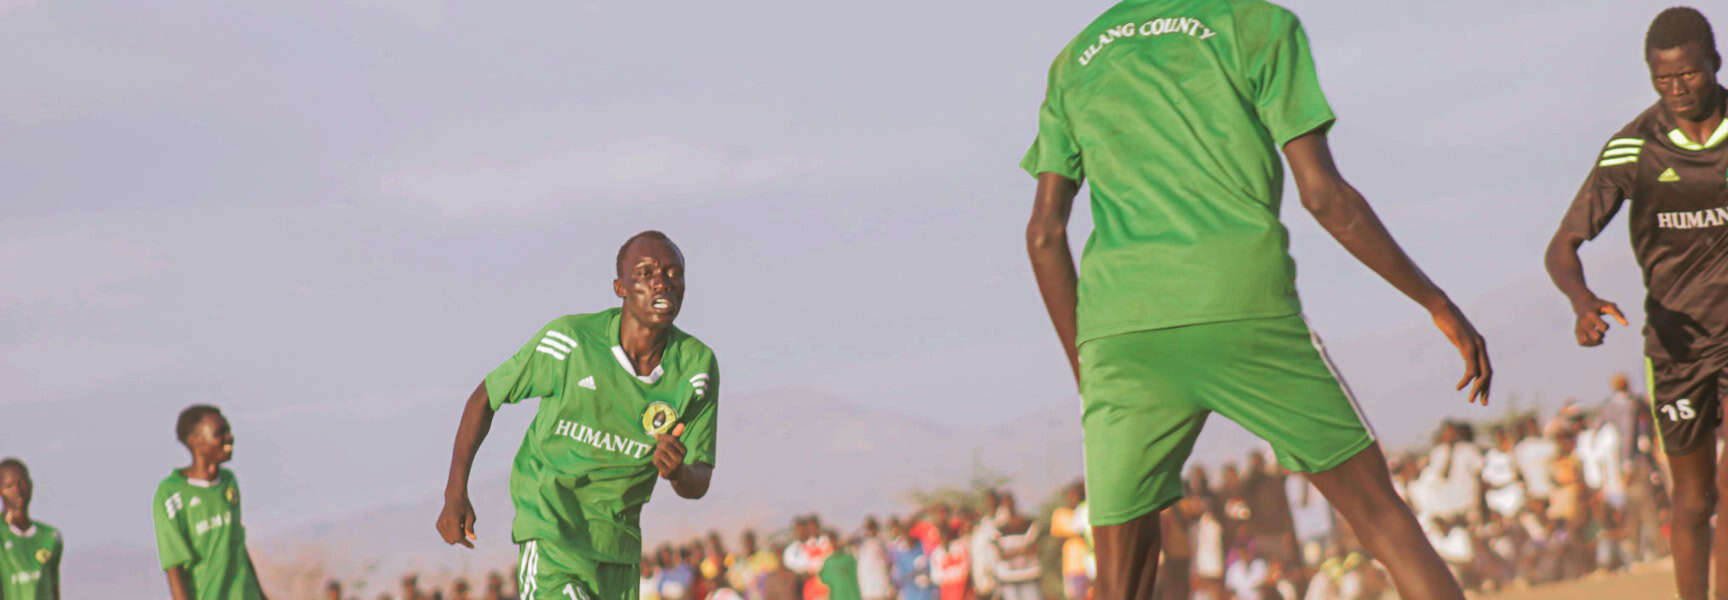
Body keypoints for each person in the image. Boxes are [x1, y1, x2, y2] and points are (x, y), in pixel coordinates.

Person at [1021, 1, 1492, 597]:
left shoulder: (1076, 59)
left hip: (1121, 330)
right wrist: (1435, 300)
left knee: (1121, 582)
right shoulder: (1257, 25)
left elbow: (1043, 233)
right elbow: (1324, 198)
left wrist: (1090, 369)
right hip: (1240, 302)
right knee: (1382, 521)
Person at [1542, 7, 1725, 598]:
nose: (1676, 90)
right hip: (1677, 347)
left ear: (1714, 62)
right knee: (1694, 502)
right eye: (1662, 79)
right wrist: (1582, 301)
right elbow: (1561, 247)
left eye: (1688, 76)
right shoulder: (1632, 149)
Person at [435, 231, 719, 599]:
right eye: (646, 272)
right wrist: (455, 491)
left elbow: (698, 480)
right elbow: (484, 398)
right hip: (551, 527)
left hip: (618, 546)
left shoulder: (697, 367)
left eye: (672, 273)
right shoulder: (570, 341)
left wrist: (678, 472)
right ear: (620, 287)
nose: (661, 282)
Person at [152, 405, 267, 599]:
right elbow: (174, 566)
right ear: (195, 440)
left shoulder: (229, 482)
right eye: (220, 432)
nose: (229, 437)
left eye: (229, 431)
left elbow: (237, 545)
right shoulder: (170, 494)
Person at [0, 458, 61, 600]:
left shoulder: (51, 537)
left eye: (22, 483)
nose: (18, 491)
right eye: (9, 486)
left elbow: (53, 590)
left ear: (31, 485)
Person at [854, 518, 893, 600]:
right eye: (868, 528)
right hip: (867, 588)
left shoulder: (882, 543)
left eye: (872, 528)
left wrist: (890, 586)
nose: (870, 531)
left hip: (881, 587)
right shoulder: (861, 545)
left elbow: (889, 565)